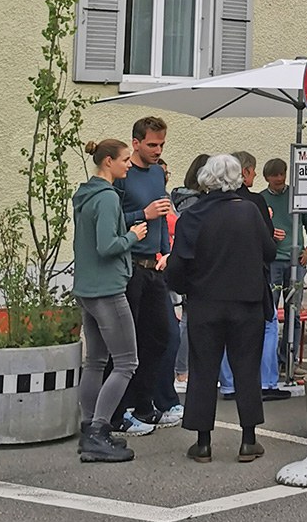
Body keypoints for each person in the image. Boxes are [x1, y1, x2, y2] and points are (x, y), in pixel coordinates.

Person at [166, 154, 277, 463]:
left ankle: (203, 443)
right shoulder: (250, 213)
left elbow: (177, 266)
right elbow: (269, 251)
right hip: (247, 303)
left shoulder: (193, 215)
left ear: (207, 179)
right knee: (246, 369)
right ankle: (248, 440)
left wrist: (185, 286)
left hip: (205, 303)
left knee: (203, 370)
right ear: (238, 178)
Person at [72, 139, 147, 463]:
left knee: (96, 362)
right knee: (127, 362)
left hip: (87, 289)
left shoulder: (85, 195)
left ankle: (90, 427)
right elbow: (106, 245)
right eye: (125, 160)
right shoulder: (105, 199)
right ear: (108, 162)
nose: (129, 165)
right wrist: (132, 236)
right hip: (107, 290)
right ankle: (99, 431)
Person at [111, 115, 179, 435]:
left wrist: (165, 250)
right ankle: (120, 409)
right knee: (128, 342)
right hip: (130, 267)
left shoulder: (156, 173)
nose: (157, 149)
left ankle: (144, 402)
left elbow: (163, 216)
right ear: (136, 142)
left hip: (155, 267)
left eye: (161, 144)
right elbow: (112, 219)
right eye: (152, 144)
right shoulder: (123, 176)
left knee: (162, 336)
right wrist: (143, 214)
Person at [219, 151, 288, 402]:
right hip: (253, 275)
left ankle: (228, 385)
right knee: (268, 324)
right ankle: (267, 381)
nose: (255, 175)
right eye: (253, 170)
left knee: (226, 330)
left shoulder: (213, 203)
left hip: (222, 278)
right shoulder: (254, 202)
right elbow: (267, 244)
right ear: (244, 172)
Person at [260, 157, 307, 376]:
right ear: (267, 178)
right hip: (273, 261)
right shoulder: (262, 200)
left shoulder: (297, 196)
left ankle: (289, 360)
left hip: (297, 261)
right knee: (270, 313)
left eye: (282, 174)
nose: (279, 178)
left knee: (294, 311)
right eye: (275, 175)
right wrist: (269, 235)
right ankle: (269, 361)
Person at [170, 153, 209, 393]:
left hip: (183, 264)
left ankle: (183, 370)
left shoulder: (183, 198)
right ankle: (182, 372)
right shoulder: (195, 203)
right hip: (192, 265)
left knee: (187, 320)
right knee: (188, 321)